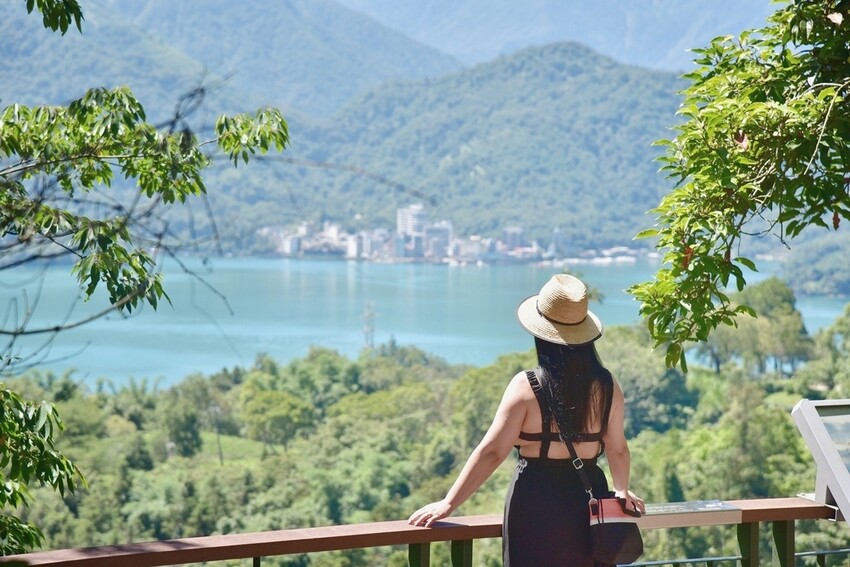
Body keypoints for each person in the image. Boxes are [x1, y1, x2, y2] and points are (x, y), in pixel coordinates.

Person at [408, 273, 645, 566]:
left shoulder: (526, 386)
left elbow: (493, 451)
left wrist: (449, 503)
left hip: (534, 501)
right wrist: (620, 491)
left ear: (541, 334)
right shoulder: (607, 386)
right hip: (591, 502)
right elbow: (617, 448)